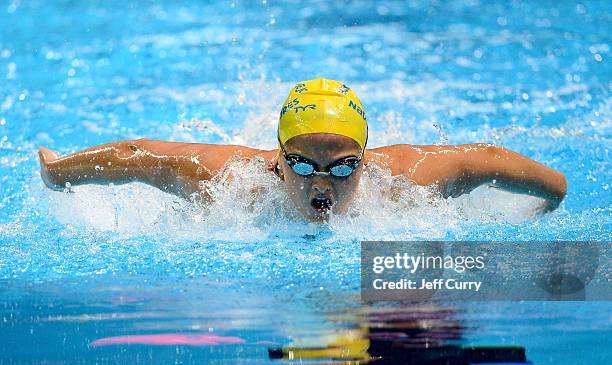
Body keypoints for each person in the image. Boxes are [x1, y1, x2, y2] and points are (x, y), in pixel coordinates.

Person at [38, 78, 567, 222]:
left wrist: (547, 204)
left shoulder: (409, 179)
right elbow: (142, 154)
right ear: (276, 156)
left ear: (365, 156)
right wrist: (61, 173)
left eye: (342, 168)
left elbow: (489, 159)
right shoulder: (230, 182)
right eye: (300, 163)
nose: (320, 182)